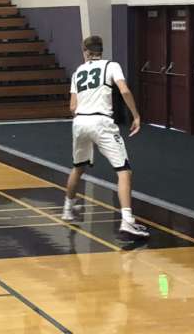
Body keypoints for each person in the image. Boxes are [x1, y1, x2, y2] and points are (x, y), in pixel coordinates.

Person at [62, 36, 149, 240]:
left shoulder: (78, 73)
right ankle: (127, 221)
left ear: (85, 51)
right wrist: (136, 115)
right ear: (101, 50)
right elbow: (124, 90)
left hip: (80, 122)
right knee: (123, 171)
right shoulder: (111, 66)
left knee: (78, 167)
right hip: (100, 121)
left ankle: (67, 209)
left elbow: (72, 107)